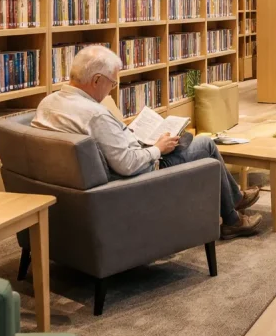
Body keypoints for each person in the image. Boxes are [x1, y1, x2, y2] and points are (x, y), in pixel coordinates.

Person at [32, 45, 262, 239]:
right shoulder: (95, 115)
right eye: (111, 83)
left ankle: (235, 199)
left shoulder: (48, 103)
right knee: (206, 145)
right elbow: (128, 165)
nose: (112, 89)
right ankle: (232, 215)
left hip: (81, 190)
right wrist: (156, 149)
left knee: (184, 141)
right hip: (134, 180)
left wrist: (130, 136)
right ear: (96, 80)